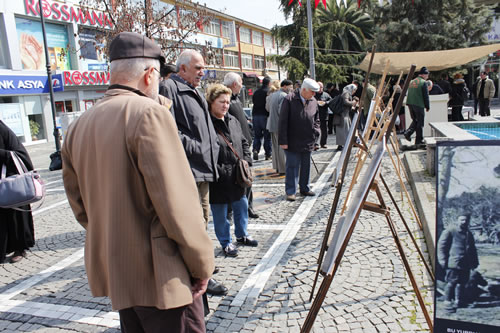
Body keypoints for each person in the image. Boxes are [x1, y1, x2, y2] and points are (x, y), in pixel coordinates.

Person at [61, 32, 214, 332]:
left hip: (121, 273)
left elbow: (80, 207)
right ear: (149, 74)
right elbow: (178, 206)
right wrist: (202, 265)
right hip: (162, 275)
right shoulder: (148, 114)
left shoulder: (78, 126)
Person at [156, 49, 227, 297]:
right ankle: (198, 276)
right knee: (194, 227)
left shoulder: (193, 90)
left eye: (203, 67)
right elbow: (169, 129)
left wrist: (212, 147)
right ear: (182, 68)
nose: (202, 72)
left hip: (202, 169)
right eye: (198, 68)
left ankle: (202, 270)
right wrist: (198, 148)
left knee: (202, 223)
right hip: (190, 169)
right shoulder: (169, 89)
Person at [206, 84, 258, 258]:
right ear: (211, 102)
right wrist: (217, 170)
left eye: (227, 102)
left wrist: (247, 161)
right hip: (219, 176)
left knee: (241, 205)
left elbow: (243, 141)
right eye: (221, 102)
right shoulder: (206, 123)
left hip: (237, 174)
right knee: (220, 213)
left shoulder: (233, 120)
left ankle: (242, 235)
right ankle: (226, 242)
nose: (225, 105)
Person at [223, 72, 259, 219]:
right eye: (240, 83)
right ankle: (230, 211)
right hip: (232, 146)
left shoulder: (236, 99)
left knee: (247, 178)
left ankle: (249, 207)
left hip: (243, 144)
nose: (241, 86)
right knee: (233, 179)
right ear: (234, 85)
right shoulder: (225, 99)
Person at [279, 78, 320, 202]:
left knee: (306, 166)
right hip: (292, 140)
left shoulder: (313, 101)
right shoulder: (289, 99)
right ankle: (291, 191)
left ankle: (305, 188)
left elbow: (317, 121)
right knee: (292, 166)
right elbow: (283, 121)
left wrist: (317, 137)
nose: (314, 94)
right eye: (312, 92)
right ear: (304, 90)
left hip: (308, 140)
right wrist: (283, 141)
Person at [0, 120, 35, 264]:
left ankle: (20, 248)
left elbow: (19, 154)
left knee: (15, 217)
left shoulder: (2, 130)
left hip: (10, 181)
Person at [437, 212, 479, 312]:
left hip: (466, 263)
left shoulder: (469, 233)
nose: (464, 222)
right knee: (451, 282)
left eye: (466, 220)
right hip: (454, 263)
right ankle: (447, 302)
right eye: (462, 220)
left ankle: (458, 301)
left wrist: (474, 262)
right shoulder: (450, 231)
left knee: (462, 283)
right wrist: (442, 260)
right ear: (458, 220)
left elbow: (472, 249)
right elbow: (441, 246)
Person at [266, 79, 292, 175]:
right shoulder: (284, 96)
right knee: (282, 147)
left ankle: (277, 167)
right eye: (290, 86)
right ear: (285, 86)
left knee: (275, 147)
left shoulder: (272, 95)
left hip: (271, 124)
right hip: (279, 125)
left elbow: (267, 108)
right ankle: (283, 169)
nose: (291, 89)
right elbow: (283, 112)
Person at [404, 67, 430, 148]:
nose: (428, 76)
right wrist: (427, 106)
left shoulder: (412, 81)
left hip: (410, 103)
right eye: (427, 75)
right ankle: (419, 140)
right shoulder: (423, 82)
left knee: (415, 120)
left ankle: (408, 133)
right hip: (418, 104)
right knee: (420, 122)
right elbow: (426, 96)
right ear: (424, 75)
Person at [252, 77, 272, 161]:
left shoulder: (256, 92)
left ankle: (255, 149)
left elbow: (253, 102)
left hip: (255, 115)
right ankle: (268, 154)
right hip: (265, 116)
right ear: (269, 83)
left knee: (257, 135)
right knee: (267, 136)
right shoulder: (268, 92)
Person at [333, 84, 358, 151]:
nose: (354, 92)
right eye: (354, 90)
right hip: (342, 115)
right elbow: (346, 102)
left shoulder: (346, 92)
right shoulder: (346, 93)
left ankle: (343, 144)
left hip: (345, 114)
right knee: (342, 130)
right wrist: (353, 102)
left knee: (345, 130)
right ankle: (340, 145)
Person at [315, 82, 332, 149]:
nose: (320, 89)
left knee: (324, 130)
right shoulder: (313, 94)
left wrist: (325, 103)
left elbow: (331, 101)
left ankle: (323, 143)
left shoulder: (326, 94)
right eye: (319, 87)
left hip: (324, 115)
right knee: (315, 130)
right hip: (315, 115)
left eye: (321, 87)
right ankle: (315, 144)